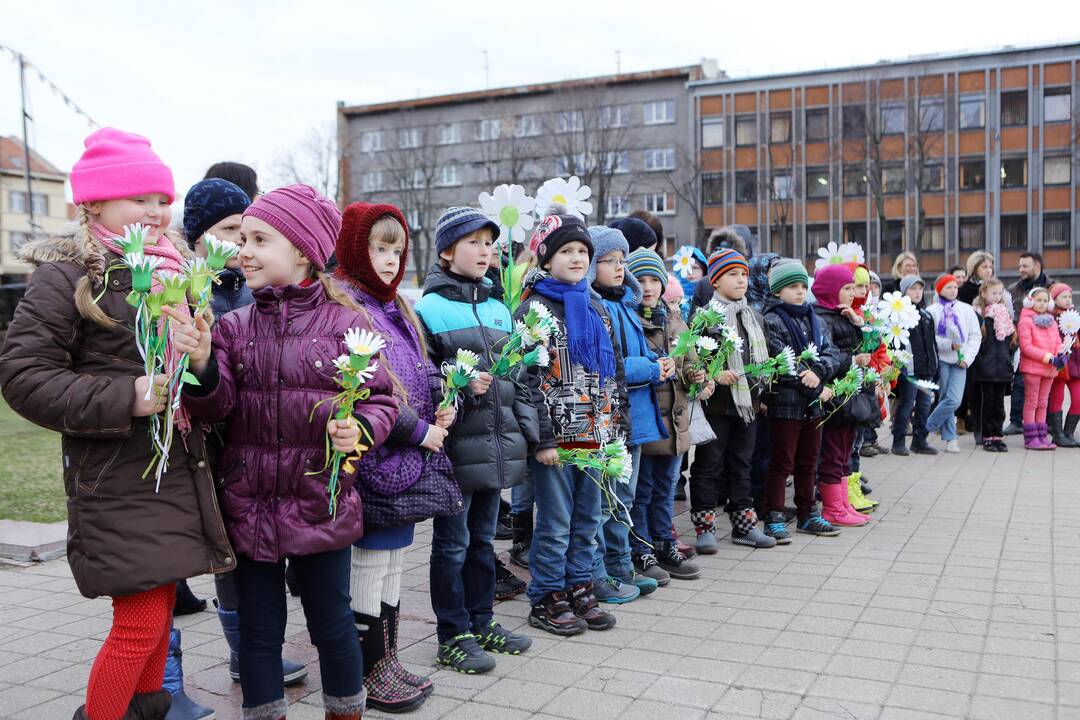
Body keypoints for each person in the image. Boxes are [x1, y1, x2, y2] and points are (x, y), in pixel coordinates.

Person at [0, 127, 236, 720]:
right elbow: (23, 376)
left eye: (162, 199)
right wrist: (124, 396)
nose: (157, 212)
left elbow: (209, 389)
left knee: (155, 622)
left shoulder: (178, 270)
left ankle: (145, 710)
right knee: (139, 623)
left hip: (179, 471)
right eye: (140, 200)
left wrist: (203, 361)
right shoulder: (69, 275)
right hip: (116, 477)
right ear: (94, 204)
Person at [182, 184, 399, 720]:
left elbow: (383, 400)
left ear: (302, 250)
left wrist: (360, 430)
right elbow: (217, 409)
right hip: (249, 502)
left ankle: (345, 710)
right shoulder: (233, 326)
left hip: (318, 499)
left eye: (260, 239)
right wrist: (205, 365)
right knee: (258, 632)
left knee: (332, 624)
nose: (243, 250)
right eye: (242, 238)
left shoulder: (348, 324)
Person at [179, 176, 307, 719]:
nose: (239, 244)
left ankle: (251, 649)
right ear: (198, 237)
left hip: (252, 447)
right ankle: (237, 653)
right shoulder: (187, 289)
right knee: (227, 559)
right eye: (228, 230)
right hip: (203, 448)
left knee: (252, 554)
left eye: (246, 231)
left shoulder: (251, 287)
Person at [335, 202, 466, 710]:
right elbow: (369, 393)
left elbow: (414, 371)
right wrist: (420, 432)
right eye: (377, 247)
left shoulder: (397, 307)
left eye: (396, 249)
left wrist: (443, 394)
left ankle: (386, 658)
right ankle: (369, 668)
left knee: (392, 561)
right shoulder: (347, 305)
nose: (389, 260)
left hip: (405, 459)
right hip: (373, 459)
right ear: (352, 248)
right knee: (370, 562)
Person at [414, 207, 537, 673]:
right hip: (455, 447)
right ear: (446, 251)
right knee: (451, 544)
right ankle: (452, 634)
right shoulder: (427, 308)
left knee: (484, 540)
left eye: (490, 243)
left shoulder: (499, 308)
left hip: (498, 445)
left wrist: (529, 434)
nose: (486, 252)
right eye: (474, 243)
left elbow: (519, 377)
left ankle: (482, 621)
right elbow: (420, 376)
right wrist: (458, 378)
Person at [519, 211, 628, 637]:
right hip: (558, 438)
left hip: (596, 435)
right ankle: (547, 594)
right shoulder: (534, 308)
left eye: (583, 251)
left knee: (588, 517)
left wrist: (616, 428)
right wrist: (542, 438)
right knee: (556, 521)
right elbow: (526, 380)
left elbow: (613, 370)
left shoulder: (596, 305)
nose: (577, 258)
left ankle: (580, 585)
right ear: (546, 259)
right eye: (566, 251)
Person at [588, 227, 683, 597]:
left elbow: (638, 349)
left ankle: (621, 562)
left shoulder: (625, 305)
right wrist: (648, 368)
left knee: (624, 497)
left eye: (620, 260)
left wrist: (660, 361)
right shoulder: (598, 306)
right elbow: (608, 364)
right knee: (608, 498)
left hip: (637, 419)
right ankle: (608, 567)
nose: (617, 267)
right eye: (608, 260)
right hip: (614, 417)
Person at [627, 249, 708, 586]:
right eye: (640, 280)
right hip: (649, 426)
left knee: (666, 490)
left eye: (653, 280)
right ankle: (641, 547)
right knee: (643, 492)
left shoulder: (674, 319)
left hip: (676, 425)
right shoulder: (631, 319)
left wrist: (697, 375)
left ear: (663, 284)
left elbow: (689, 362)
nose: (647, 287)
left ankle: (664, 543)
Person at [688, 248, 777, 551]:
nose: (740, 280)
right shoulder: (704, 318)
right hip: (716, 404)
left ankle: (744, 525)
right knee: (709, 463)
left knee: (742, 462)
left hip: (747, 405)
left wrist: (762, 393)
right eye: (731, 274)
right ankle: (704, 526)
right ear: (714, 281)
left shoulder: (754, 317)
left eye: (743, 274)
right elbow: (692, 362)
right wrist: (714, 377)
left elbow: (763, 359)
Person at [761, 261, 843, 540]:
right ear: (777, 291)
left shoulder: (815, 320)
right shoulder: (771, 320)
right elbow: (780, 361)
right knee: (782, 461)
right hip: (785, 404)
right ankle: (773, 514)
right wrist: (814, 386)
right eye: (792, 287)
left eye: (802, 287)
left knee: (809, 461)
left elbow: (831, 354)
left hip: (812, 405)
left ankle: (808, 513)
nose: (799, 292)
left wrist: (818, 374)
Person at [812, 264, 873, 527]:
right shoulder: (822, 318)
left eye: (852, 288)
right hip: (835, 395)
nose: (851, 293)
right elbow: (828, 356)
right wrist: (853, 360)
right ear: (829, 291)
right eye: (846, 289)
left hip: (850, 394)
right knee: (833, 452)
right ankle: (832, 507)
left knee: (845, 450)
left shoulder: (845, 315)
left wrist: (858, 323)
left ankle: (843, 502)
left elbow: (871, 343)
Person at [925, 274, 981, 452]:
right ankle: (950, 438)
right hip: (942, 359)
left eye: (955, 287)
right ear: (940, 290)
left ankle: (926, 425)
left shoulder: (966, 309)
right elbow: (931, 338)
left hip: (960, 361)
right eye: (948, 287)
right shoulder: (933, 311)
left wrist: (967, 357)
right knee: (945, 397)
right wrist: (948, 344)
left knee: (954, 400)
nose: (953, 290)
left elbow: (975, 335)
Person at [183, 178, 254, 317]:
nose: (241, 240)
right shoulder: (179, 288)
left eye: (245, 229)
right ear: (197, 235)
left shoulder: (260, 289)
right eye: (230, 228)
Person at [1005, 253, 1054, 435]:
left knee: (1045, 388)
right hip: (1022, 343)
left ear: (1037, 266)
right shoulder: (1012, 289)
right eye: (1020, 266)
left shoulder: (1052, 286)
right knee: (1019, 383)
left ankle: (1044, 423)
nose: (1021, 270)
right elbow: (1008, 315)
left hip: (1047, 344)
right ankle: (1016, 421)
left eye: (1025, 266)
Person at [891, 276, 939, 456]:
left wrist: (936, 368)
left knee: (924, 405)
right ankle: (898, 441)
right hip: (910, 370)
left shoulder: (926, 315)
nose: (917, 292)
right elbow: (896, 343)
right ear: (904, 292)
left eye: (920, 289)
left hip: (926, 369)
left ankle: (920, 441)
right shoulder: (899, 315)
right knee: (907, 404)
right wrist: (900, 367)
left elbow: (932, 344)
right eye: (913, 289)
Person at [969, 278, 1016, 452]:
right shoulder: (979, 315)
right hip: (986, 368)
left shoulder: (1004, 315)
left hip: (1002, 366)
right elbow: (977, 342)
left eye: (999, 293)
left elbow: (1011, 342)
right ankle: (987, 436)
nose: (997, 297)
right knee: (987, 403)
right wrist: (981, 361)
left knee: (999, 404)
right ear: (983, 293)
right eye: (993, 293)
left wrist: (1008, 360)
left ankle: (998, 436)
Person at [1016, 287, 1063, 450]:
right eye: (1038, 300)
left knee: (1043, 403)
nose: (1042, 303)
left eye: (1045, 300)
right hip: (1033, 369)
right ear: (1030, 301)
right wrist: (1049, 357)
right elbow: (1026, 347)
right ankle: (1030, 438)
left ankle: (1041, 436)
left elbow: (1058, 342)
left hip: (1050, 369)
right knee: (1032, 401)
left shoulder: (1051, 321)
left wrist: (1060, 354)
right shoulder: (1025, 321)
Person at [1048, 283, 1080, 447]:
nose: (1068, 300)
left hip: (1076, 364)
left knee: (1078, 398)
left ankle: (1069, 432)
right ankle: (1058, 434)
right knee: (1057, 398)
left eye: (1069, 296)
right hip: (1060, 365)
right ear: (1054, 299)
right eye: (1063, 296)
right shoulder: (1050, 318)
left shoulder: (1075, 316)